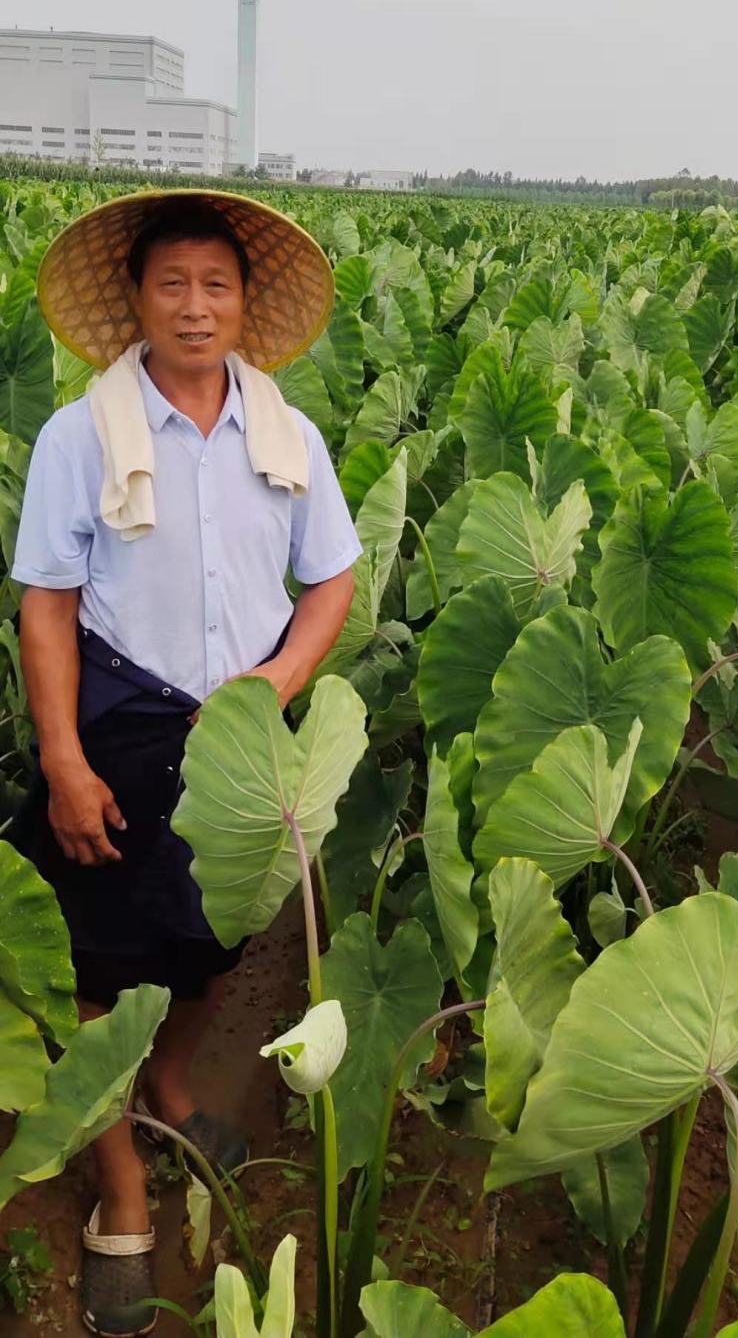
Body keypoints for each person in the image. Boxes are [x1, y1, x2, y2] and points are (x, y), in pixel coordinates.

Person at [11, 190, 362, 1337]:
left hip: (241, 727)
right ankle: (120, 1196)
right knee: (102, 966)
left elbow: (332, 579)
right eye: (173, 284)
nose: (196, 306)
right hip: (118, 725)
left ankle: (168, 1082)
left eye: (217, 284)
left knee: (212, 943)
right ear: (139, 298)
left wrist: (276, 682)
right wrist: (62, 754)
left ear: (245, 302)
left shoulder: (286, 434)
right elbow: (49, 604)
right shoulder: (82, 434)